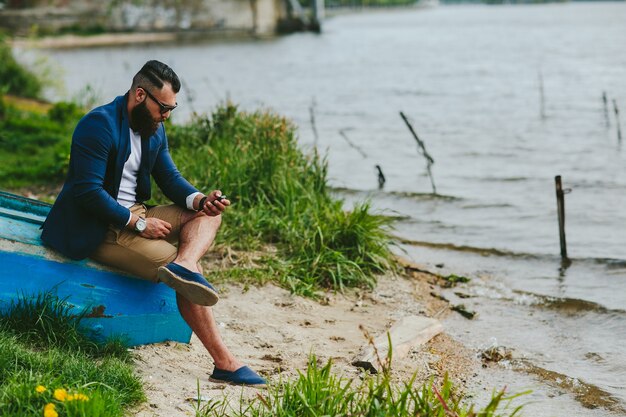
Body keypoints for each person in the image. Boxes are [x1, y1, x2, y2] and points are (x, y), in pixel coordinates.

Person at [41, 60, 265, 386]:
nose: (167, 116)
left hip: (136, 215)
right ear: (140, 94)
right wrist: (138, 225)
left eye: (172, 109)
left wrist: (202, 200)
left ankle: (186, 263)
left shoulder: (153, 129)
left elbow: (171, 179)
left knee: (206, 217)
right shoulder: (98, 125)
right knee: (183, 274)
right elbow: (86, 192)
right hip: (100, 226)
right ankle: (224, 362)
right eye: (163, 108)